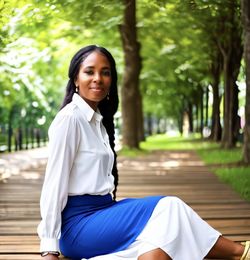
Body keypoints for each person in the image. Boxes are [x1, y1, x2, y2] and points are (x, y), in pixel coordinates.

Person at [37, 45, 250, 260]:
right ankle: (239, 252)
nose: (98, 78)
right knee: (169, 207)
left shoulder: (97, 120)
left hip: (102, 213)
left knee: (158, 246)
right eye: (89, 71)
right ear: (75, 78)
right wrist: (49, 248)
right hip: (79, 226)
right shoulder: (70, 119)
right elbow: (54, 184)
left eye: (106, 72)